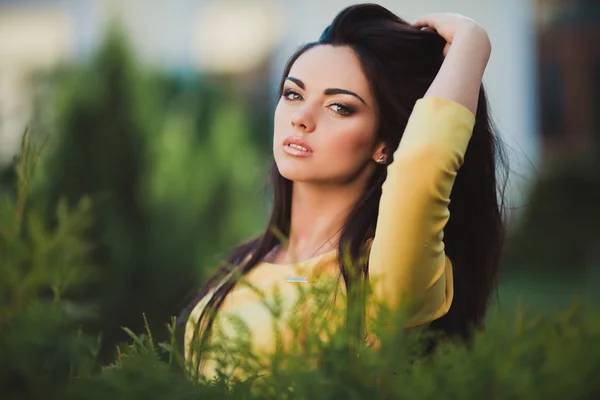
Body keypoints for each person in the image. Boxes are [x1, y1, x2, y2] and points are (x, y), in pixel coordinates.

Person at [180, 3, 506, 381]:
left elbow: (423, 166)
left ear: (384, 143)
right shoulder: (245, 262)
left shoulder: (384, 277)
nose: (301, 118)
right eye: (292, 94)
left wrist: (472, 42)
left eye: (340, 107)